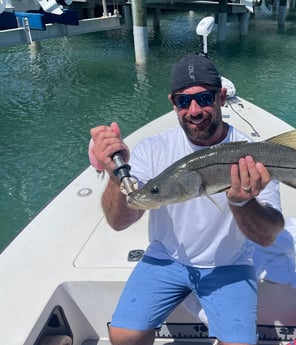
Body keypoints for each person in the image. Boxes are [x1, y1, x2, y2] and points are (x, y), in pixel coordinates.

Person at [90, 54, 285, 345]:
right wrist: (117, 174)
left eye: (204, 98)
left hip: (228, 263)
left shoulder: (252, 155)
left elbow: (268, 236)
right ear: (173, 103)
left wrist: (243, 202)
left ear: (220, 97)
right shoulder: (153, 149)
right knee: (123, 336)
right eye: (183, 101)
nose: (194, 110)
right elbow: (119, 222)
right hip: (166, 257)